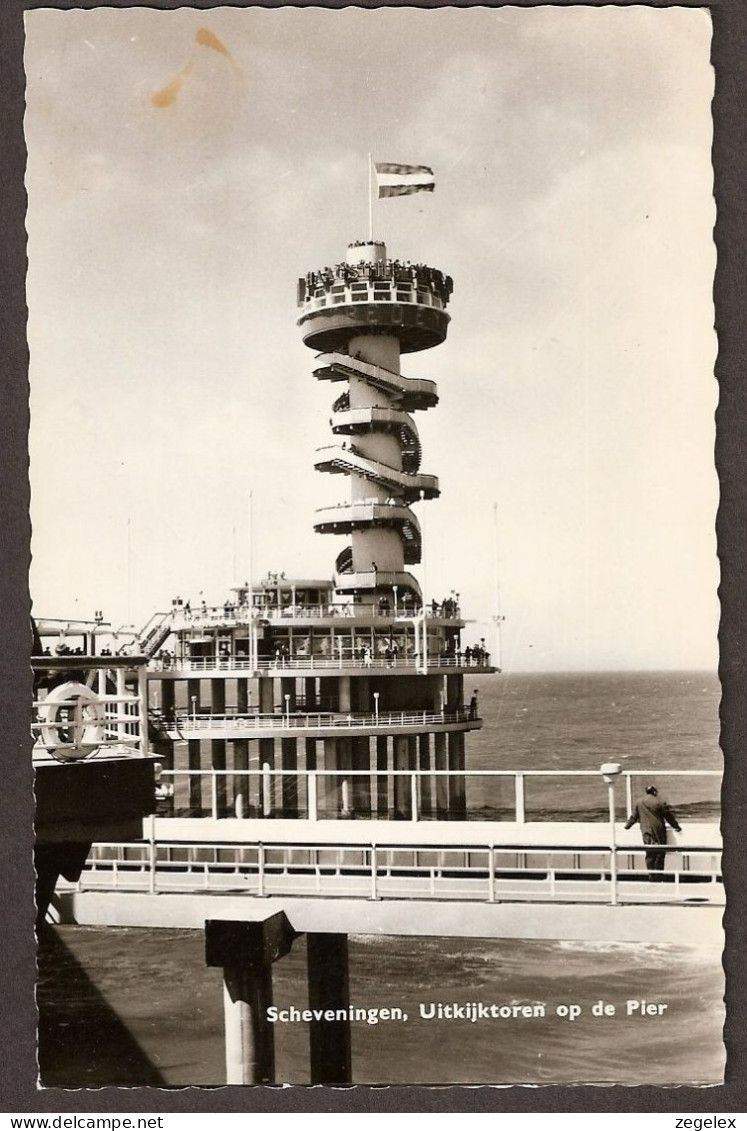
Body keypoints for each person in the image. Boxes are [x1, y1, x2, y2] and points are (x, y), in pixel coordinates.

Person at [624, 785, 682, 881]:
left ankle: (651, 877)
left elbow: (633, 817)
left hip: (646, 831)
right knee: (660, 854)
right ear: (654, 792)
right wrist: (677, 827)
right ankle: (659, 877)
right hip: (659, 831)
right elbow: (669, 817)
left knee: (650, 854)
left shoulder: (639, 802)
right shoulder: (660, 802)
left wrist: (627, 826)